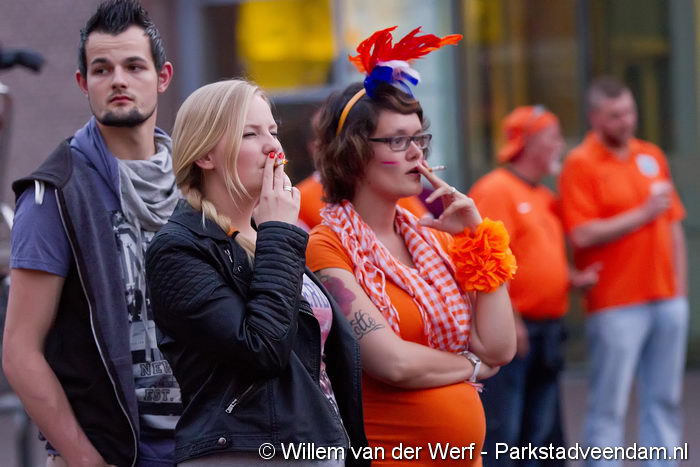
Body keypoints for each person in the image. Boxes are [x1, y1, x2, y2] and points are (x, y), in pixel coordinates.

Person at [306, 27, 516, 466]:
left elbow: (500, 348)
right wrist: (472, 366)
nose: (417, 155)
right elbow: (393, 363)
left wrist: (475, 235)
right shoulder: (326, 247)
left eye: (420, 139)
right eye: (398, 140)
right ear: (353, 153)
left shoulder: (434, 238)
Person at [145, 79, 368, 466]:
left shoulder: (270, 233)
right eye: (250, 134)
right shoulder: (179, 248)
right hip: (247, 453)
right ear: (205, 156)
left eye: (273, 131)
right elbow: (262, 349)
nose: (273, 148)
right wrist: (278, 232)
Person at [2, 1, 180, 465]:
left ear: (162, 77)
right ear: (84, 83)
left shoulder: (196, 180)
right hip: (113, 451)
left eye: (133, 66)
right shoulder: (54, 193)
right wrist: (86, 460)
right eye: (102, 69)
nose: (118, 80)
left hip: (203, 445)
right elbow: (20, 352)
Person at [559, 77, 688, 466]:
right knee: (609, 404)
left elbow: (673, 223)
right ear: (595, 118)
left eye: (630, 111)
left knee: (665, 399)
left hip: (666, 297)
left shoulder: (651, 155)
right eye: (615, 115)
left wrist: (680, 292)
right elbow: (581, 233)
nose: (627, 121)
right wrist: (642, 214)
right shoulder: (580, 163)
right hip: (616, 302)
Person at [469, 106, 599, 466]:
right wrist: (512, 321)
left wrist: (572, 278)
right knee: (506, 431)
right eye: (553, 137)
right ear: (528, 144)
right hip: (516, 332)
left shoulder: (543, 196)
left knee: (541, 435)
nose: (560, 145)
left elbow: (535, 257)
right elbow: (487, 262)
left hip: (548, 329)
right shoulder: (496, 189)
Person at [297, 109, 428, 230]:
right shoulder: (301, 198)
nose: (417, 152)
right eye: (397, 140)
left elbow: (427, 229)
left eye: (418, 138)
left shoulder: (394, 189)